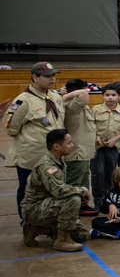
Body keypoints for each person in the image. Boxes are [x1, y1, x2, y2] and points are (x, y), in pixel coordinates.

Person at [5, 61, 66, 219]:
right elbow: (11, 128)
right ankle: (26, 221)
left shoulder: (55, 97)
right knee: (27, 189)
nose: (52, 79)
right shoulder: (23, 101)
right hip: (31, 155)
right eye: (47, 76)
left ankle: (46, 220)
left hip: (53, 156)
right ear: (35, 77)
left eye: (53, 75)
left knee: (51, 189)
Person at [21, 129, 93, 252]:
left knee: (81, 234)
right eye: (69, 143)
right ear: (56, 146)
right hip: (35, 208)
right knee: (73, 200)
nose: (72, 145)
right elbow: (59, 191)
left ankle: (35, 229)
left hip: (47, 205)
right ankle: (62, 241)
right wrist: (83, 190)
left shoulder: (58, 160)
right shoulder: (47, 166)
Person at [90, 82, 120, 210]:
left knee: (110, 173)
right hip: (96, 146)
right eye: (107, 95)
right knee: (98, 172)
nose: (110, 98)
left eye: (113, 95)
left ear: (119, 96)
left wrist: (115, 139)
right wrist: (97, 137)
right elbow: (91, 126)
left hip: (113, 146)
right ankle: (98, 199)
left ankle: (109, 199)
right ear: (103, 96)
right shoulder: (96, 110)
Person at [61, 79, 99, 216]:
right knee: (74, 183)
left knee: (83, 179)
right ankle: (70, 209)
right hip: (76, 151)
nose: (87, 92)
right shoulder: (72, 104)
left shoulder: (80, 105)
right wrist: (65, 95)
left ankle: (82, 204)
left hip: (84, 151)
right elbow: (83, 94)